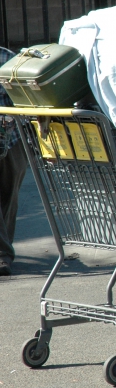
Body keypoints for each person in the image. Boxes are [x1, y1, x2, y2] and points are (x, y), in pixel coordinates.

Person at [0, 47, 28, 277]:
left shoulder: (7, 59)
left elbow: (24, 101)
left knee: (8, 196)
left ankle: (3, 253)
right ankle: (3, 254)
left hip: (11, 138)